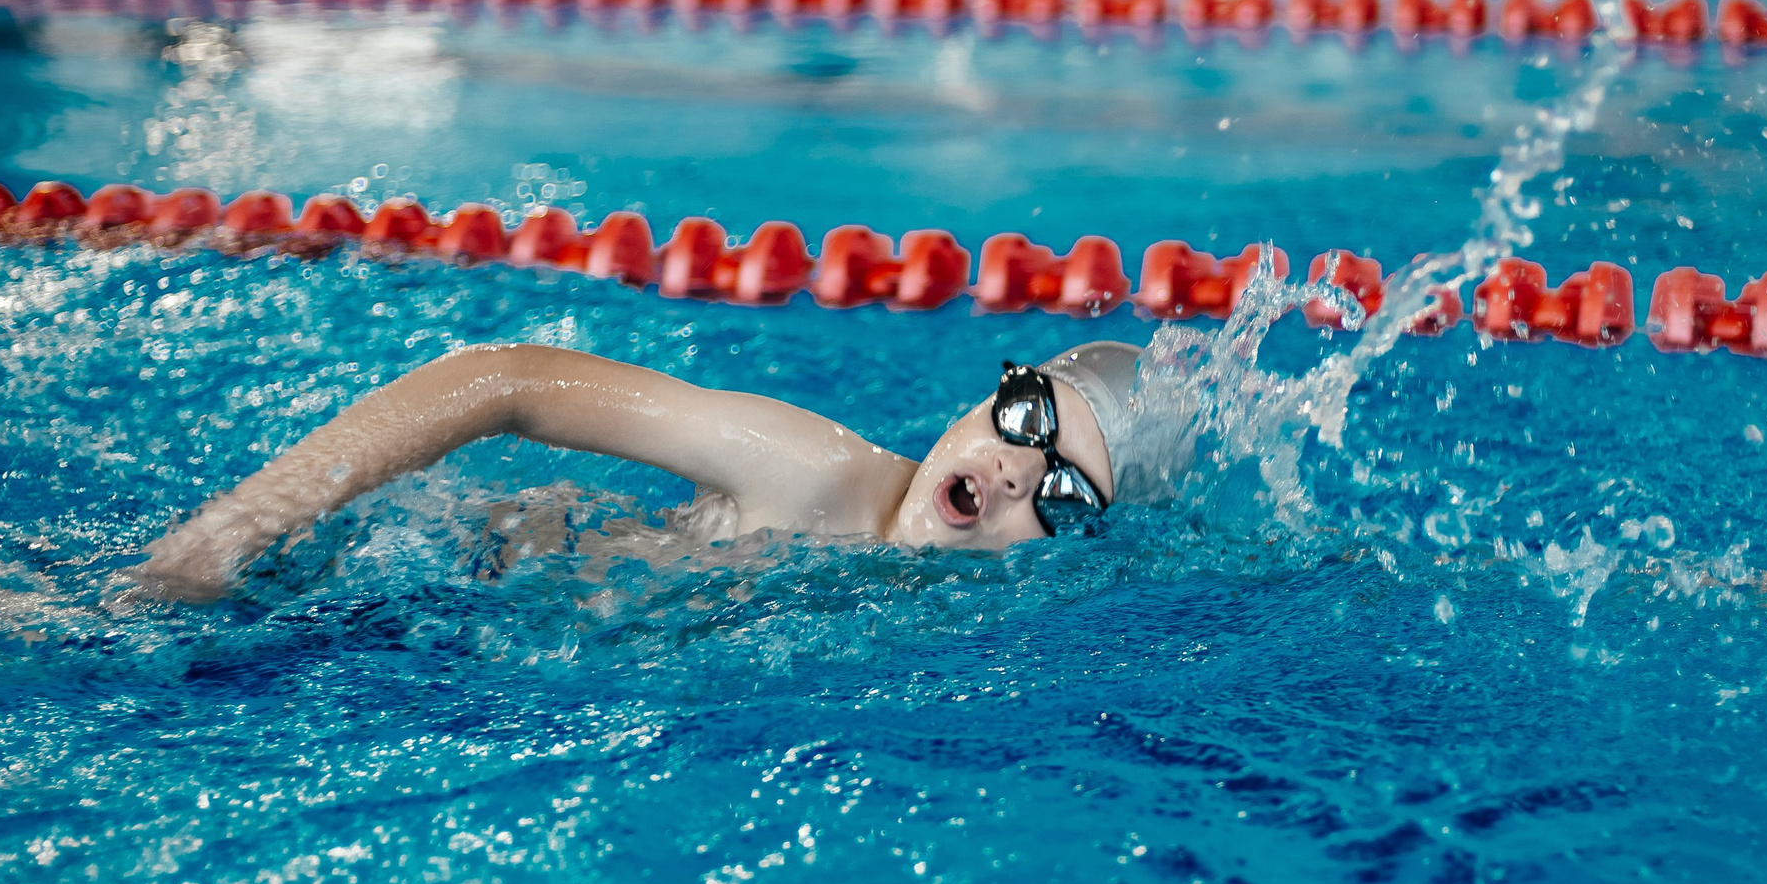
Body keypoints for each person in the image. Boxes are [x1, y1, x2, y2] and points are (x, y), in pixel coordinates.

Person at [132, 340, 1161, 603]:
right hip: (434, 576)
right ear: (977, 400)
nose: (1020, 471)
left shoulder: (969, 618)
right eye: (1026, 415)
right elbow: (503, 379)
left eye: (1067, 494)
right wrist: (244, 522)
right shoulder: (809, 469)